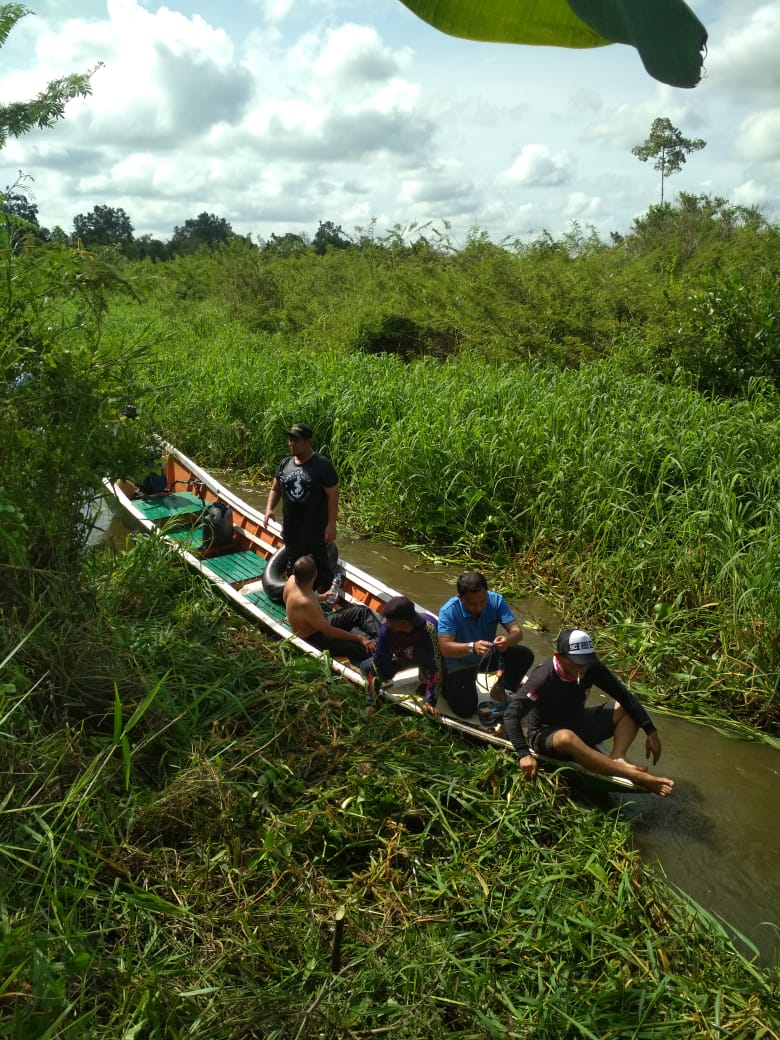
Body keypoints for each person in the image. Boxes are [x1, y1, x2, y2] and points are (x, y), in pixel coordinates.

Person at [503, 628, 675, 796]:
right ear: (560, 657)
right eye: (578, 662)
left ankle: (617, 757)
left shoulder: (590, 667)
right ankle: (636, 776)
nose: (583, 667)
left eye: (587, 661)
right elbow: (511, 715)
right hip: (545, 732)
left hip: (578, 722)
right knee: (566, 737)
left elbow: (624, 696)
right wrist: (523, 753)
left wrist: (651, 732)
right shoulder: (543, 677)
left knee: (626, 707)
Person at [437, 570, 534, 718]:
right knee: (465, 710)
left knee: (524, 655)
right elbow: (445, 648)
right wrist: (472, 647)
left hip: (487, 657)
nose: (478, 607)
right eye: (472, 604)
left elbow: (517, 632)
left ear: (487, 594)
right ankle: (447, 687)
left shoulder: (496, 601)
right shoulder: (449, 611)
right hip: (460, 664)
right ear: (460, 598)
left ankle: (499, 689)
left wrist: (507, 641)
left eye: (483, 601)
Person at [263, 422, 339, 592]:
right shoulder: (285, 464)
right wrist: (269, 509)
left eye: (296, 440)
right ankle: (295, 599)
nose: (291, 443)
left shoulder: (322, 465)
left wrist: (331, 524)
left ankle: (324, 600)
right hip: (292, 529)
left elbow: (333, 494)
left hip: (316, 530)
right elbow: (275, 489)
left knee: (322, 567)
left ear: (308, 442)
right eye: (290, 440)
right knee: (293, 565)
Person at [283, 555, 379, 665]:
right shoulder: (306, 603)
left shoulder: (291, 581)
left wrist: (321, 597)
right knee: (353, 647)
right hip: (313, 639)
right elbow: (329, 631)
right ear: (315, 574)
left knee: (360, 611)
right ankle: (382, 652)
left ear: (294, 572)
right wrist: (360, 639)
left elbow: (295, 599)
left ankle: (382, 640)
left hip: (318, 624)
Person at [360, 596, 441, 714]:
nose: (386, 623)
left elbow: (436, 665)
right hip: (401, 656)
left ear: (403, 623)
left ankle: (423, 676)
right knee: (365, 667)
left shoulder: (429, 629)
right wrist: (372, 703)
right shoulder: (386, 630)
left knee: (437, 679)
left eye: (390, 620)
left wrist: (430, 701)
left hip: (424, 658)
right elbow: (377, 665)